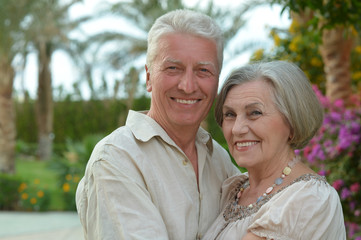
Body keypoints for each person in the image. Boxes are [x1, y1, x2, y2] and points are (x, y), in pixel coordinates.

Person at [75, 9, 240, 240]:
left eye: (203, 70)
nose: (188, 85)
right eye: (173, 68)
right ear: (149, 77)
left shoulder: (220, 160)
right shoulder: (117, 159)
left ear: (217, 82)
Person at [202, 61, 346, 240]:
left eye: (255, 113)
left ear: (292, 122)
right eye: (230, 114)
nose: (237, 129)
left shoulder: (308, 198)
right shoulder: (233, 189)